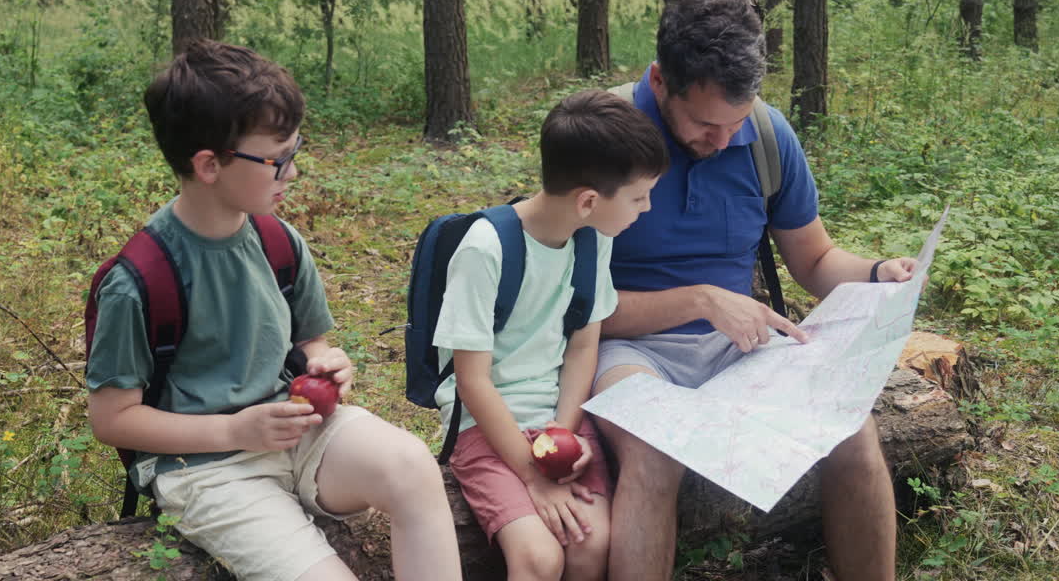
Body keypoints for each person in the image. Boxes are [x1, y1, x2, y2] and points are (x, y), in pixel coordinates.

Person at [86, 40, 463, 581]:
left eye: (296, 150)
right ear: (209, 164)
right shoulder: (139, 281)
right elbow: (112, 419)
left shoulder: (278, 242)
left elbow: (312, 343)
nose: (293, 172)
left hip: (294, 431)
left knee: (413, 468)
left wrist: (326, 364)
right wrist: (237, 432)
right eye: (278, 159)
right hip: (207, 469)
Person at [592, 0, 917, 581]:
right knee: (655, 450)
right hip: (627, 348)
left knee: (851, 427)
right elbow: (571, 309)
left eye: (735, 123)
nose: (722, 141)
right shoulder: (602, 136)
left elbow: (815, 259)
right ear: (660, 80)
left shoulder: (767, 136)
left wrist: (876, 273)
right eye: (704, 123)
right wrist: (698, 300)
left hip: (737, 342)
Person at [434, 90, 669, 581]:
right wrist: (532, 474)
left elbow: (584, 342)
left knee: (590, 543)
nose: (646, 209)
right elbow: (472, 381)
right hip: (486, 427)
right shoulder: (485, 248)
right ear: (588, 201)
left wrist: (563, 431)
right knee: (540, 558)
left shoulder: (592, 241)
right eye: (639, 197)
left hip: (559, 419)